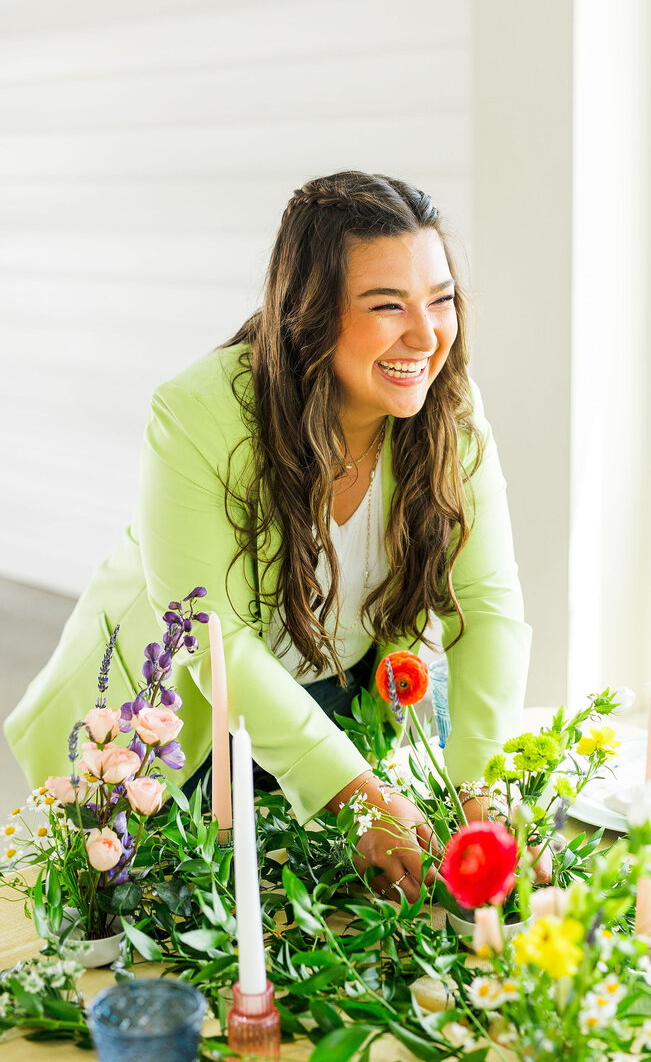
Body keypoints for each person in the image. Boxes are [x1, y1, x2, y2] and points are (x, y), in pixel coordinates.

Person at [5, 171, 532, 902]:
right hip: (181, 726)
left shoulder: (449, 406)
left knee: (339, 918)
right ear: (310, 315)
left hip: (337, 699)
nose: (426, 335)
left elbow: (489, 606)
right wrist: (361, 797)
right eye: (388, 306)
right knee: (177, 923)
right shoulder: (198, 414)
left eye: (441, 299)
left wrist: (482, 792)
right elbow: (210, 640)